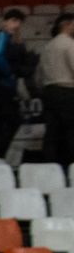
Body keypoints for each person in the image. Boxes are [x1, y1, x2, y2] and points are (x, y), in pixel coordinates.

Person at [0, 9, 27, 161]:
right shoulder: (2, 36)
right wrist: (9, 72)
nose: (16, 25)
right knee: (9, 121)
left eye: (18, 22)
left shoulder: (10, 39)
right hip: (1, 86)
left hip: (0, 86)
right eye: (13, 21)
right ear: (6, 21)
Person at [41, 12, 74, 167]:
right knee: (70, 131)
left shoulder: (47, 46)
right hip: (67, 91)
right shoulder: (69, 44)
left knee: (51, 133)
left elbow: (39, 72)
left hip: (49, 91)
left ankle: (50, 167)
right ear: (67, 25)